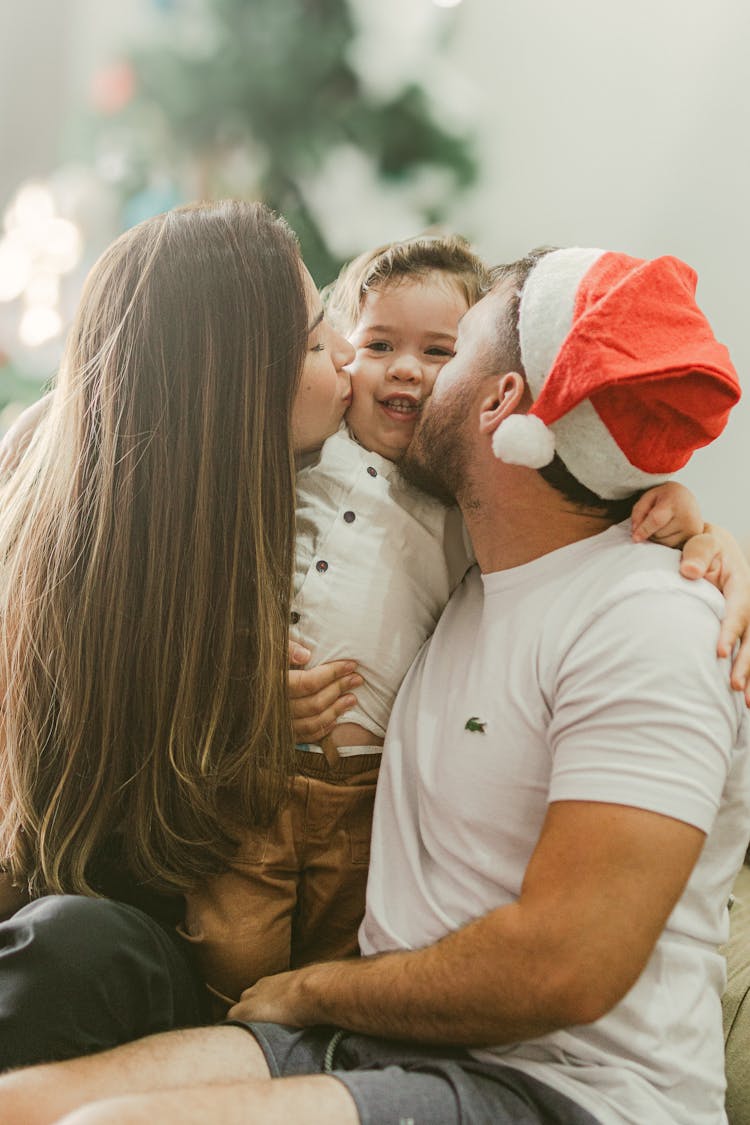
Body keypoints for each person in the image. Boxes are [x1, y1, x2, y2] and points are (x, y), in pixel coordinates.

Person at [2, 246, 748, 1125]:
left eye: (455, 344)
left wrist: (316, 988)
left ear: (503, 402)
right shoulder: (475, 575)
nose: (377, 368)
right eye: (349, 341)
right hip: (383, 1041)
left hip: (566, 1092)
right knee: (23, 1102)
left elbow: (565, 965)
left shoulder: (655, 621)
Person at [178, 234, 713, 1007]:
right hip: (253, 763)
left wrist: (693, 522)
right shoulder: (302, 453)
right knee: (228, 941)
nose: (407, 370)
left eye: (442, 351)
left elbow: (575, 515)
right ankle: (224, 1025)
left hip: (358, 791)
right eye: (379, 345)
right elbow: (206, 566)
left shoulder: (470, 518)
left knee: (336, 939)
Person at [0, 199, 361, 1067]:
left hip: (159, 936)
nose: (348, 354)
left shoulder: (364, 478)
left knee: (72, 948)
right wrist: (223, 704)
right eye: (316, 345)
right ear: (233, 390)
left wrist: (693, 530)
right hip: (46, 864)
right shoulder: (48, 472)